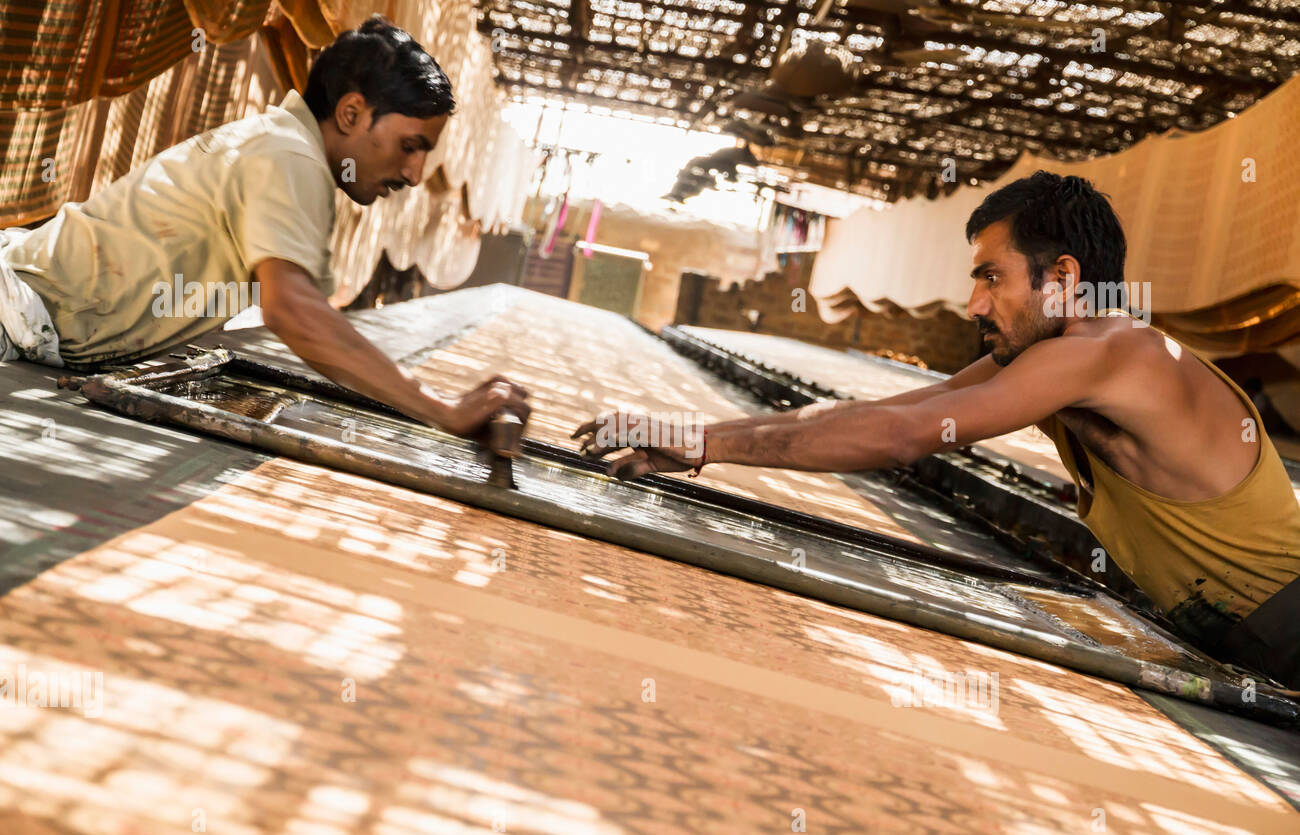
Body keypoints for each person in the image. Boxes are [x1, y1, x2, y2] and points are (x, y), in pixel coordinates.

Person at [575, 172, 1300, 688]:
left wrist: (703, 443)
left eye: (992, 278)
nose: (973, 303)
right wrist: (696, 438)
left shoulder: (1116, 355)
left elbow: (901, 439)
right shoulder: (1056, 359)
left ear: (1064, 276)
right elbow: (890, 417)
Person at [0, 15, 528, 437]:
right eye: (410, 146)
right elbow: (294, 311)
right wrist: (441, 409)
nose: (414, 174)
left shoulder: (288, 148)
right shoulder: (288, 157)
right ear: (350, 114)